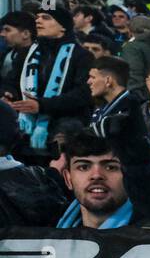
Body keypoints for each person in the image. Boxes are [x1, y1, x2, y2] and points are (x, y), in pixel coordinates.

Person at [11, 9, 93, 160]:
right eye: (37, 17)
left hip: (65, 125)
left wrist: (42, 105)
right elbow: (12, 82)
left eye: (46, 18)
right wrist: (7, 94)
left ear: (63, 27)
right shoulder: (27, 54)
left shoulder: (81, 56)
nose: (38, 21)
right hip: (26, 124)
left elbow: (83, 94)